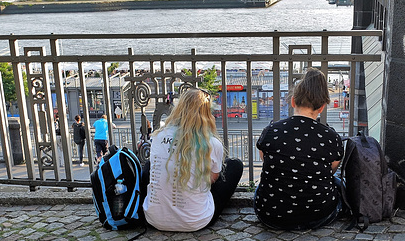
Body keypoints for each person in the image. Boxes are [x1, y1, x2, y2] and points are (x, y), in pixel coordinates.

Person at [255, 67, 344, 231]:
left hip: (270, 214)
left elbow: (265, 159)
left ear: (293, 101)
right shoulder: (331, 137)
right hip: (319, 215)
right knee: (337, 182)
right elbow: (331, 169)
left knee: (260, 187)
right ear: (322, 107)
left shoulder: (271, 131)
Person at [142, 88, 243, 232]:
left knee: (150, 165)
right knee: (235, 165)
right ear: (207, 114)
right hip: (195, 221)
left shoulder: (158, 136)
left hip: (154, 219)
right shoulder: (212, 143)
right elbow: (211, 179)